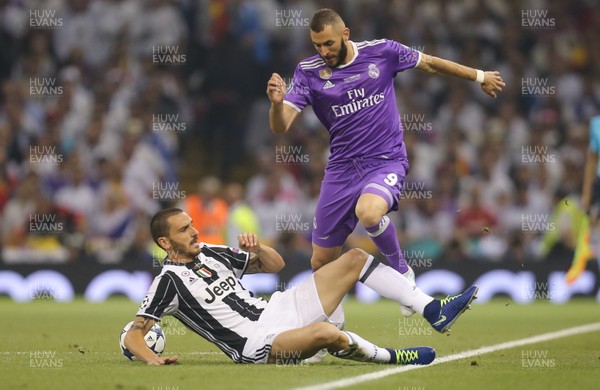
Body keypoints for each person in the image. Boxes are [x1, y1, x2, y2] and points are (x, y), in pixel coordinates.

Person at [266, 9, 504, 319]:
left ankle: (403, 273)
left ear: (345, 34)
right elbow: (281, 126)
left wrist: (480, 76)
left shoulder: (382, 52)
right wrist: (275, 105)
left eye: (328, 43)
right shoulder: (308, 72)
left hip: (385, 160)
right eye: (317, 45)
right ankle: (329, 332)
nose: (323, 52)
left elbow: (430, 63)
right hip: (340, 170)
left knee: (368, 212)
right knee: (321, 263)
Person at [123, 208, 478, 365]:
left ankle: (433, 310)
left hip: (278, 307)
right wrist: (152, 360)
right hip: (256, 342)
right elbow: (133, 335)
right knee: (326, 332)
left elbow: (275, 265)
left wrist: (258, 248)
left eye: (191, 224)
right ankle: (391, 357)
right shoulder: (167, 282)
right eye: (184, 229)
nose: (194, 231)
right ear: (165, 244)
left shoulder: (212, 252)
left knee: (353, 258)